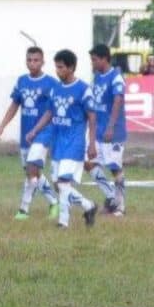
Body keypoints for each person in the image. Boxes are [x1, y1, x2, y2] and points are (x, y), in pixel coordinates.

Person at [26, 49, 98, 229]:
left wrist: (92, 143)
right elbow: (49, 112)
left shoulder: (83, 89)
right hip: (58, 143)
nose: (57, 71)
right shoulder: (56, 89)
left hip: (74, 143)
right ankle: (88, 206)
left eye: (61, 67)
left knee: (64, 182)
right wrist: (35, 131)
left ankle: (63, 222)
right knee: (60, 185)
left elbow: (92, 116)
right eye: (56, 67)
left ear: (71, 67)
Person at [0, 46, 60, 220]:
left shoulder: (51, 83)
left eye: (36, 60)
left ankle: (23, 209)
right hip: (25, 135)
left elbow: (54, 109)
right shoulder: (21, 81)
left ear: (43, 62)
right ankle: (54, 202)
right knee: (33, 173)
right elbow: (14, 105)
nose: (32, 63)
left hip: (43, 134)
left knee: (32, 169)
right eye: (29, 60)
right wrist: (2, 125)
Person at [89, 44, 126, 215]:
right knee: (88, 163)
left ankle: (120, 207)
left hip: (113, 132)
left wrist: (111, 126)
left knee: (114, 168)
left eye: (95, 59)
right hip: (98, 131)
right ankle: (111, 197)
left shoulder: (116, 77)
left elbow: (117, 100)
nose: (93, 63)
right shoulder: (96, 77)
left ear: (104, 59)